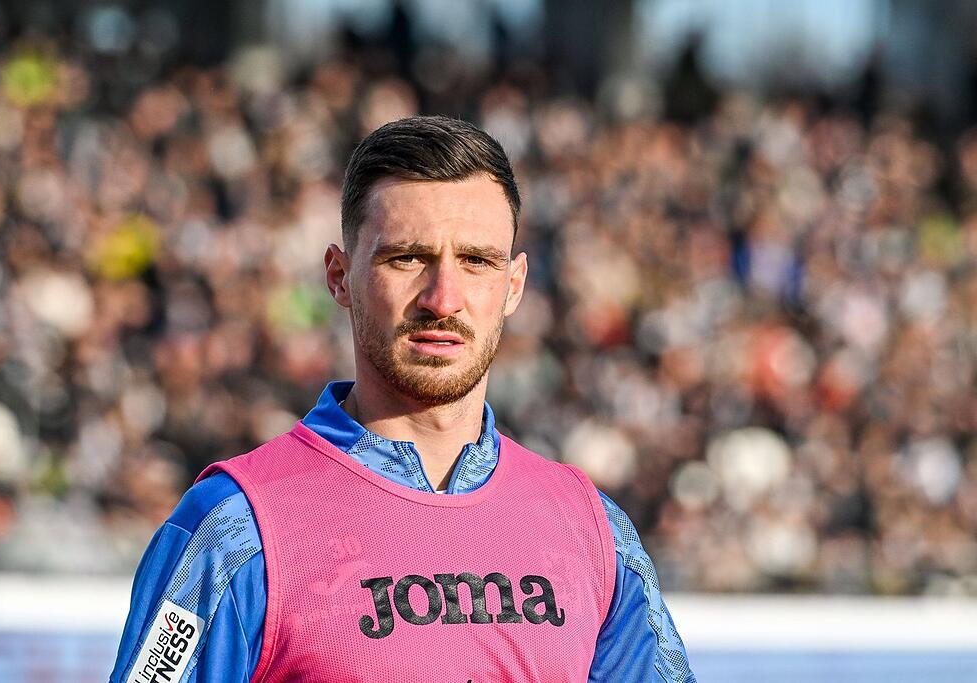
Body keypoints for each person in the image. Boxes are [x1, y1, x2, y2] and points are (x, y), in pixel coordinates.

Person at [109, 115, 695, 683]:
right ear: (339, 276)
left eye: (477, 261)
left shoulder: (592, 531)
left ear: (514, 285)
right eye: (407, 258)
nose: (443, 298)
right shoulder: (233, 529)